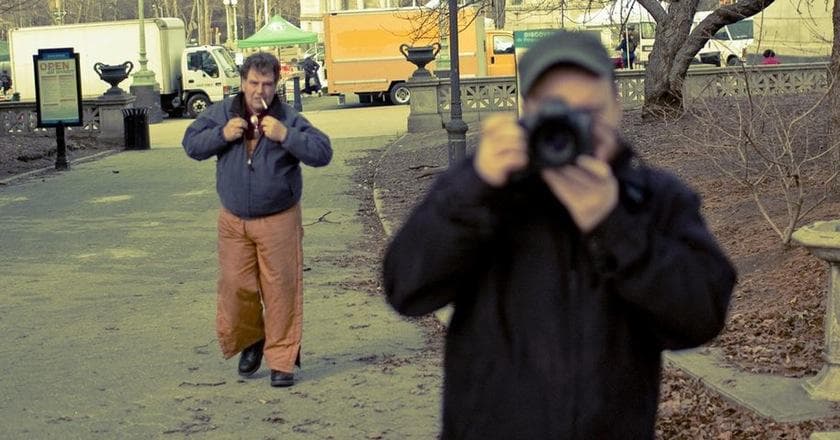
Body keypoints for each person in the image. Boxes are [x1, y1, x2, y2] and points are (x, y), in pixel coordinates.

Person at [383, 30, 735, 439]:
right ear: (526, 111)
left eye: (589, 112)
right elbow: (406, 288)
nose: (572, 126)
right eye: (556, 111)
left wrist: (613, 224)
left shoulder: (654, 198)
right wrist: (473, 188)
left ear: (617, 107)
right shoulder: (483, 191)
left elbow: (701, 317)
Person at [182, 52, 332, 387]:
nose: (259, 90)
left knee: (280, 291)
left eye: (266, 84)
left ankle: (282, 361)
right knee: (235, 288)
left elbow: (323, 152)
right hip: (233, 220)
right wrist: (222, 135)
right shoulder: (223, 112)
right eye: (253, 82)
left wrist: (286, 136)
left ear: (276, 85)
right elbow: (190, 143)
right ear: (242, 82)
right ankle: (253, 339)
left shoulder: (287, 117)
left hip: (279, 219)